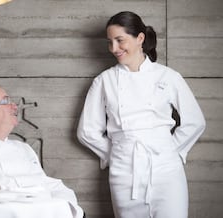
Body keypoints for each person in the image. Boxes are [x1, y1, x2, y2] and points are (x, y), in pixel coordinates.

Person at [77, 11, 206, 218]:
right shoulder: (104, 81)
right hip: (124, 173)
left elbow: (195, 122)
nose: (114, 49)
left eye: (120, 40)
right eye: (110, 42)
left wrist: (170, 150)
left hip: (167, 171)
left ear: (140, 38)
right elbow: (86, 131)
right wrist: (118, 153)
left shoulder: (168, 76)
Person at [0, 82, 84, 218]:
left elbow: (49, 184)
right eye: (6, 101)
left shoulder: (23, 148)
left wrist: (69, 208)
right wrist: (35, 190)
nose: (15, 106)